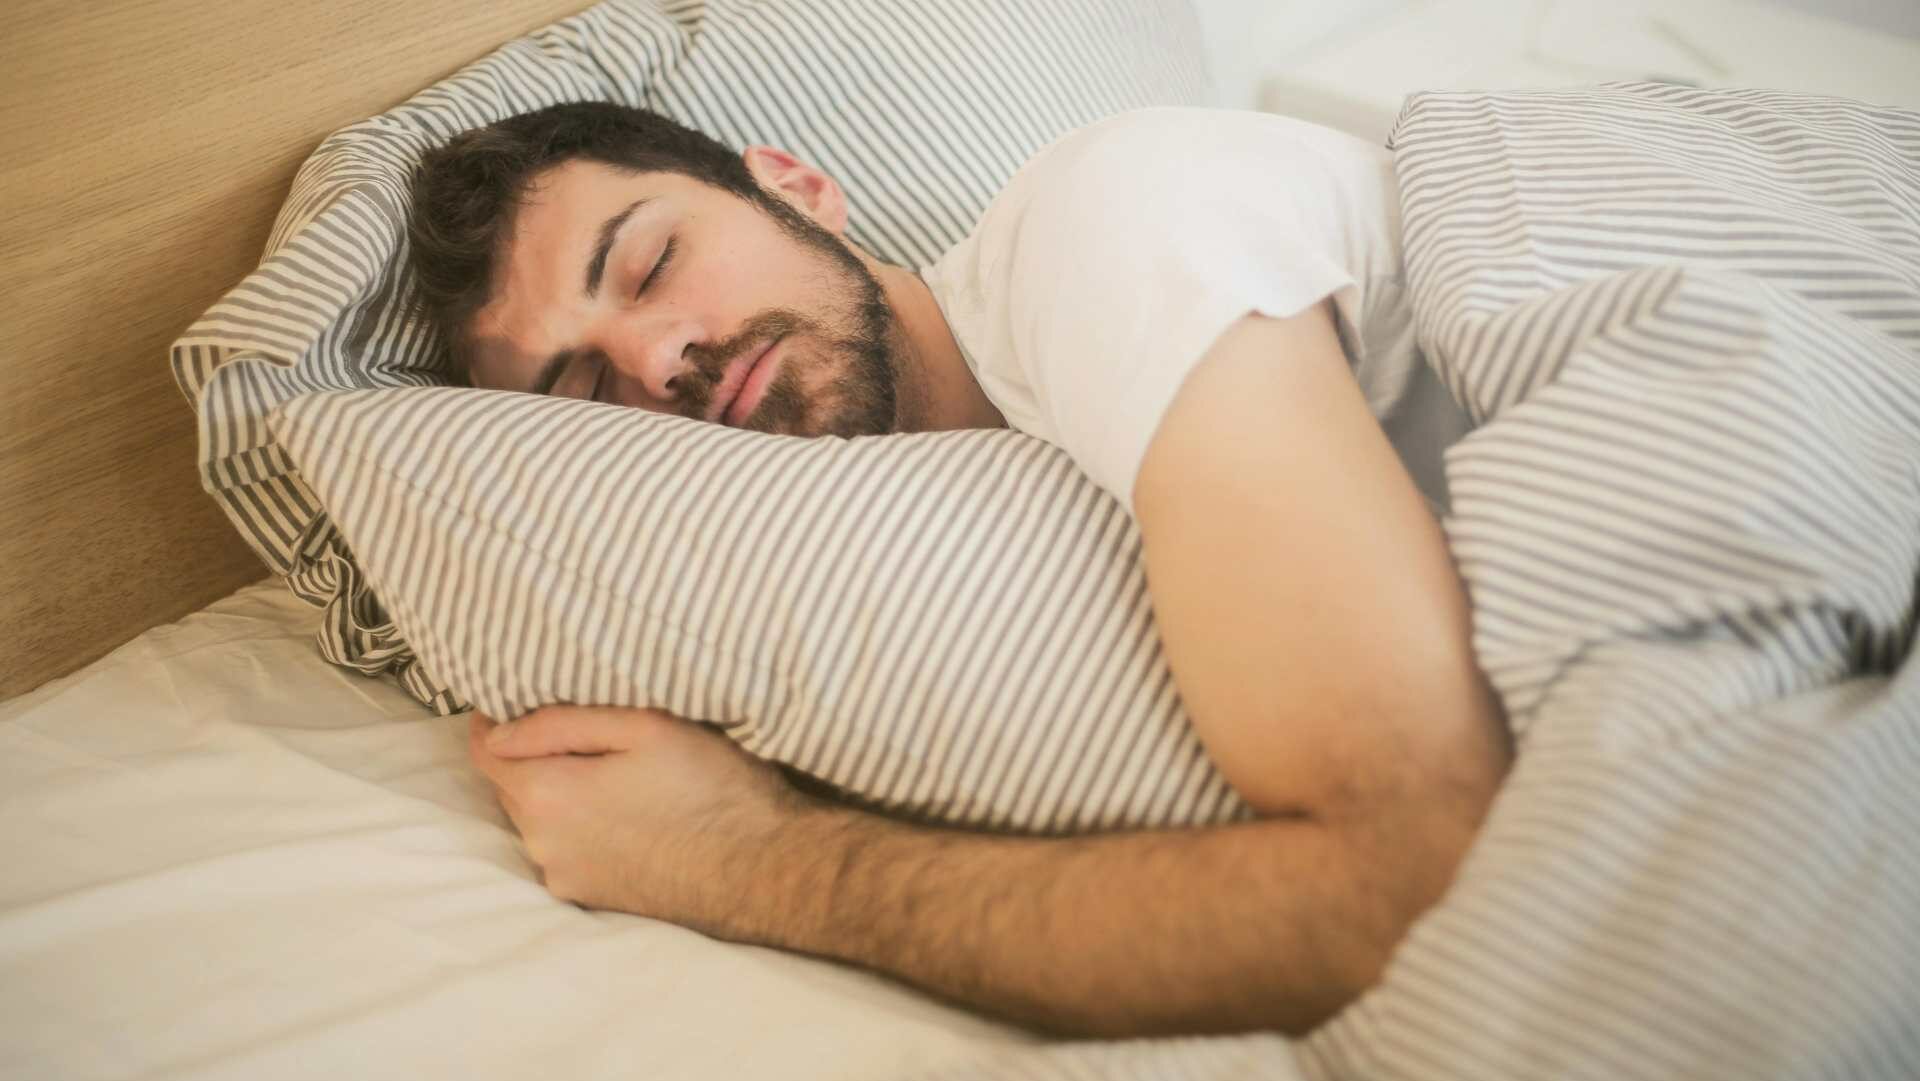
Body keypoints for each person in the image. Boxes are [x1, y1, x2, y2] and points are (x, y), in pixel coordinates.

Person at [408, 100, 1512, 1039]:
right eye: (589, 392)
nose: (656, 361)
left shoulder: (1107, 228)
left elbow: (1421, 883)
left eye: (651, 263)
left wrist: (738, 859)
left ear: (793, 188)